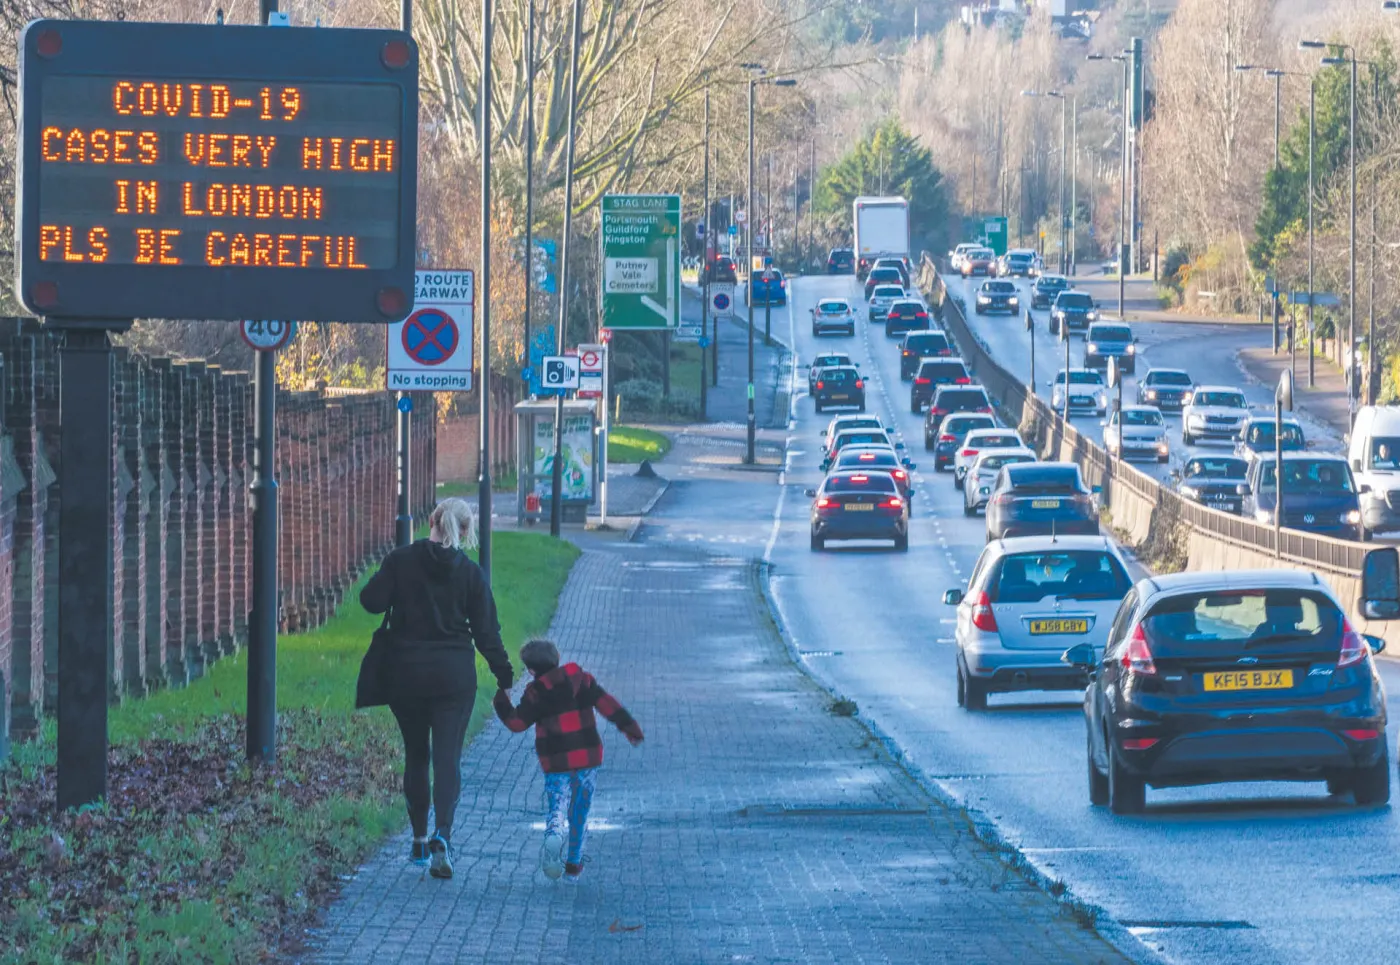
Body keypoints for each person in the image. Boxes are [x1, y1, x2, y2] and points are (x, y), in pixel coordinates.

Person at [360, 497, 513, 880]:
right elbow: (486, 633)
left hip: (406, 674)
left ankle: (417, 839)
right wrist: (504, 673)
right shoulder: (471, 574)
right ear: (464, 531)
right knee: (448, 758)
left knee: (416, 753)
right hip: (453, 677)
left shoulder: (401, 560)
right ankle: (442, 836)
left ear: (431, 521)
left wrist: (390, 574)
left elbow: (370, 602)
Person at [494, 639, 644, 881]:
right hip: (587, 757)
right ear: (556, 659)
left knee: (558, 803)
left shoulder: (535, 693)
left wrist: (501, 700)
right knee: (580, 809)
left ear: (532, 671)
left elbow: (517, 723)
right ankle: (573, 861)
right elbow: (607, 704)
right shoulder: (582, 680)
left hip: (556, 762)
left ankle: (554, 831)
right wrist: (630, 728)